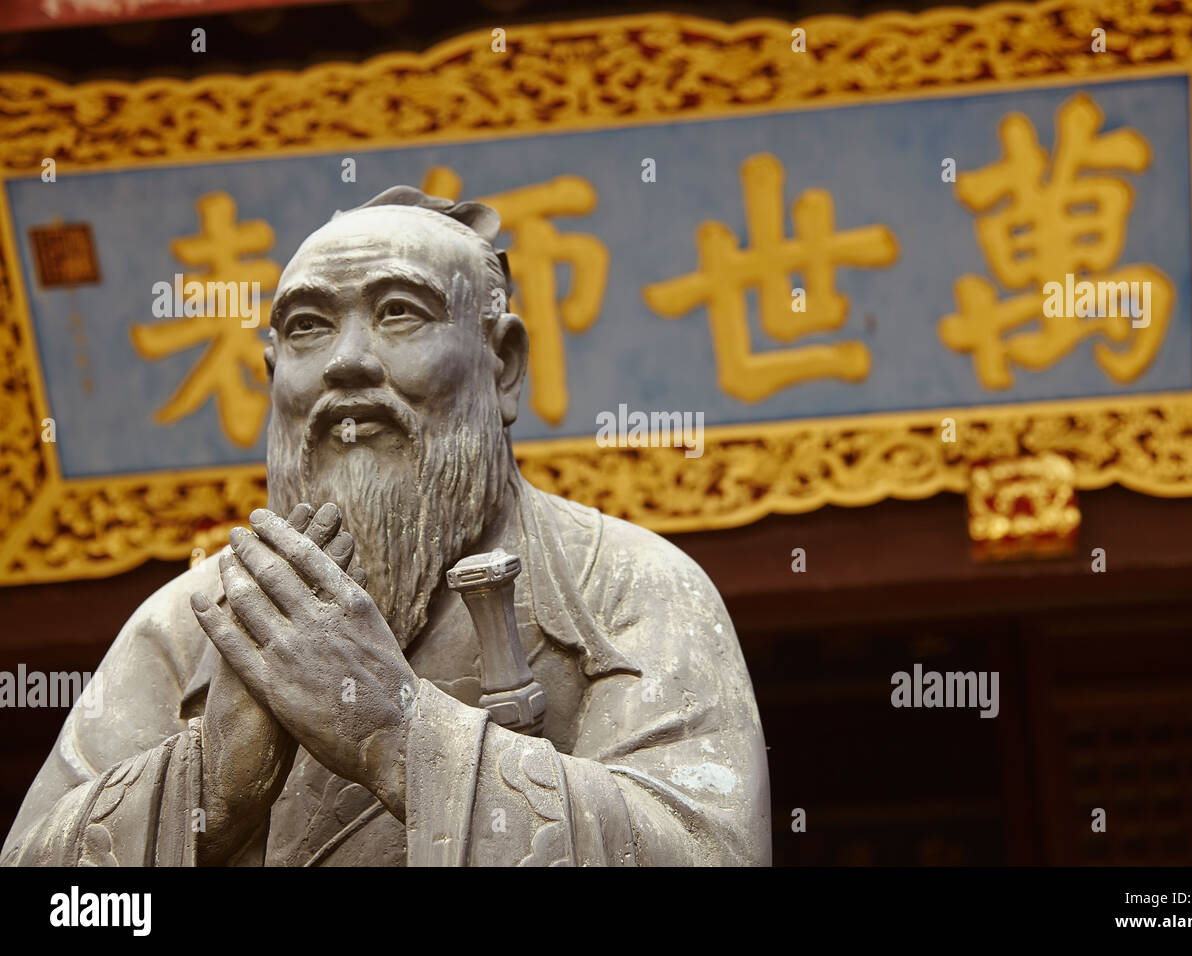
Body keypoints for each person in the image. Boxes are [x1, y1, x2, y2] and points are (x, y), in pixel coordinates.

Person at [3, 187, 771, 866]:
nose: (346, 362)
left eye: (400, 312)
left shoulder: (628, 586)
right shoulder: (191, 625)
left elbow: (707, 851)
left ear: (502, 364)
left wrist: (399, 737)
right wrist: (206, 788)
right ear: (274, 379)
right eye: (306, 327)